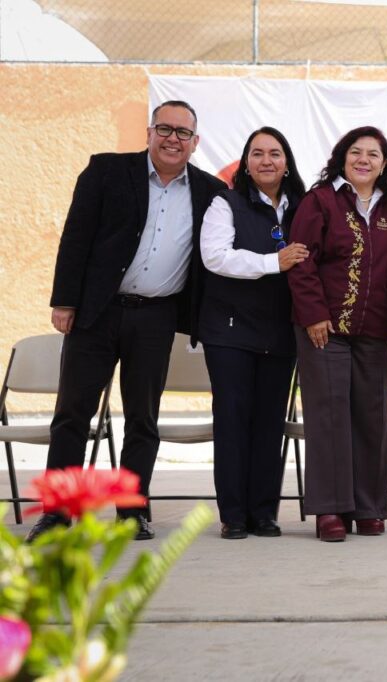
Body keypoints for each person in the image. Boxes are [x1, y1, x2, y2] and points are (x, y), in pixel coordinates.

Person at [27, 100, 225, 543]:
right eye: (165, 129)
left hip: (157, 318)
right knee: (72, 414)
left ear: (196, 142)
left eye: (183, 133)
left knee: (143, 419)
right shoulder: (106, 171)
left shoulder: (211, 192)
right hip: (98, 313)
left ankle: (132, 512)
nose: (173, 139)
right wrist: (64, 301)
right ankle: (58, 513)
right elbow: (76, 235)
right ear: (150, 132)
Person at [288, 126, 387, 543]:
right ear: (342, 157)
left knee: (371, 417)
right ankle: (330, 510)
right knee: (330, 416)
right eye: (356, 152)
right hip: (325, 329)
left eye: (373, 154)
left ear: (384, 164)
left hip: (374, 330)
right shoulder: (319, 201)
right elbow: (301, 262)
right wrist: (314, 315)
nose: (364, 160)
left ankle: (368, 506)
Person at [198, 127, 308, 540]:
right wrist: (272, 262)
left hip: (281, 331)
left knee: (269, 424)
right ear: (246, 162)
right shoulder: (225, 203)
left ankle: (264, 512)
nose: (266, 161)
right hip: (230, 331)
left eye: (275, 153)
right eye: (257, 153)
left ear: (287, 162)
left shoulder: (302, 207)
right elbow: (215, 256)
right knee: (232, 421)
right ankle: (234, 515)